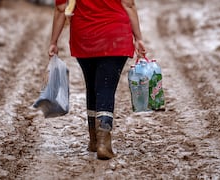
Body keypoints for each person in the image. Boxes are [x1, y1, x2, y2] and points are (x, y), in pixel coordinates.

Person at [48, 0, 146, 160]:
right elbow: (129, 4)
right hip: (115, 34)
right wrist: (139, 38)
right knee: (106, 87)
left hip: (84, 34)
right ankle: (103, 143)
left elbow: (60, 9)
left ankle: (94, 140)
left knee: (92, 86)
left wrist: (53, 41)